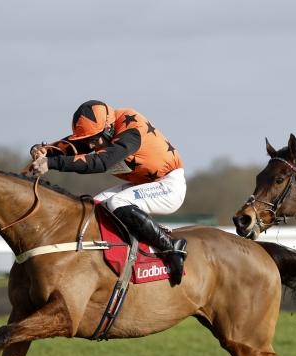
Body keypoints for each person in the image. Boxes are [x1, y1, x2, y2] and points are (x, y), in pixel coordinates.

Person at [30, 100, 187, 284]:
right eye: (87, 141)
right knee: (96, 205)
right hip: (144, 184)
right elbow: (74, 146)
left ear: (108, 128)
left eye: (93, 140)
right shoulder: (104, 129)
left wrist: (52, 163)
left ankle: (171, 248)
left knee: (117, 203)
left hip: (169, 185)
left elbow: (101, 162)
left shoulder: (131, 131)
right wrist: (44, 151)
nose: (90, 146)